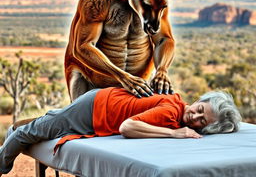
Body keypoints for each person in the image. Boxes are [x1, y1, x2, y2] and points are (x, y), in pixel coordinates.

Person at [0, 87, 241, 176]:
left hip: (102, 105)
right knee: (27, 133)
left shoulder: (177, 109)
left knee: (54, 121)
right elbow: (128, 127)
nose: (195, 116)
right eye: (199, 109)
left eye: (202, 121)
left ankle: (53, 117)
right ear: (198, 100)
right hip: (94, 108)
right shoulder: (171, 112)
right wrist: (174, 134)